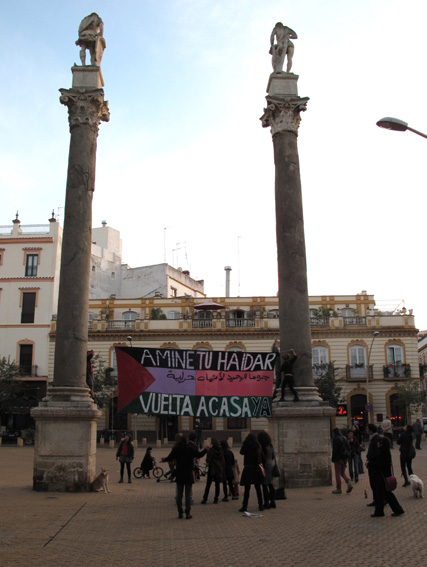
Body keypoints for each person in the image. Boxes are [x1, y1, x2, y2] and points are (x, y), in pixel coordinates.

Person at [162, 435, 206, 519]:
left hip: (179, 473)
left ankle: (180, 512)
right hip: (188, 473)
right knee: (188, 494)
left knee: (179, 494)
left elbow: (169, 458)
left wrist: (163, 459)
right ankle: (188, 513)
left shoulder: (176, 449)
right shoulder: (190, 449)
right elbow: (199, 455)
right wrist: (206, 450)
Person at [366, 429, 404, 517]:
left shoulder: (383, 452)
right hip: (384, 474)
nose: (378, 444)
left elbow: (379, 463)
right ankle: (380, 511)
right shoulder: (385, 451)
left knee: (385, 494)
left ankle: (397, 510)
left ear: (381, 444)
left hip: (382, 475)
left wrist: (369, 464)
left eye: (379, 443)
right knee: (381, 494)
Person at [239, 433, 265, 512]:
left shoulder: (246, 445)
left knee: (247, 489)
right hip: (256, 468)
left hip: (248, 468)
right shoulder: (257, 445)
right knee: (258, 488)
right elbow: (263, 457)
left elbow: (241, 452)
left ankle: (245, 506)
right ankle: (260, 505)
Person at [201, 439, 225, 504]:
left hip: (212, 469)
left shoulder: (211, 451)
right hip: (219, 468)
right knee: (217, 484)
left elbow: (208, 460)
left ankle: (205, 499)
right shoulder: (221, 451)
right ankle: (216, 499)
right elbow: (223, 461)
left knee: (208, 484)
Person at [258, 431, 276, 509]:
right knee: (270, 484)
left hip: (264, 466)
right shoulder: (270, 446)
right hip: (270, 465)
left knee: (264, 485)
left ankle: (266, 503)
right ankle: (272, 501)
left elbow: (261, 457)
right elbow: (273, 456)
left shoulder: (262, 446)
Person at [331, 428, 353, 494]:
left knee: (337, 473)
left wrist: (333, 459)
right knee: (342, 472)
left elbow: (335, 450)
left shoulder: (335, 439)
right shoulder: (344, 438)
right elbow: (349, 447)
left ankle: (338, 488)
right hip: (344, 458)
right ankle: (348, 482)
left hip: (338, 458)